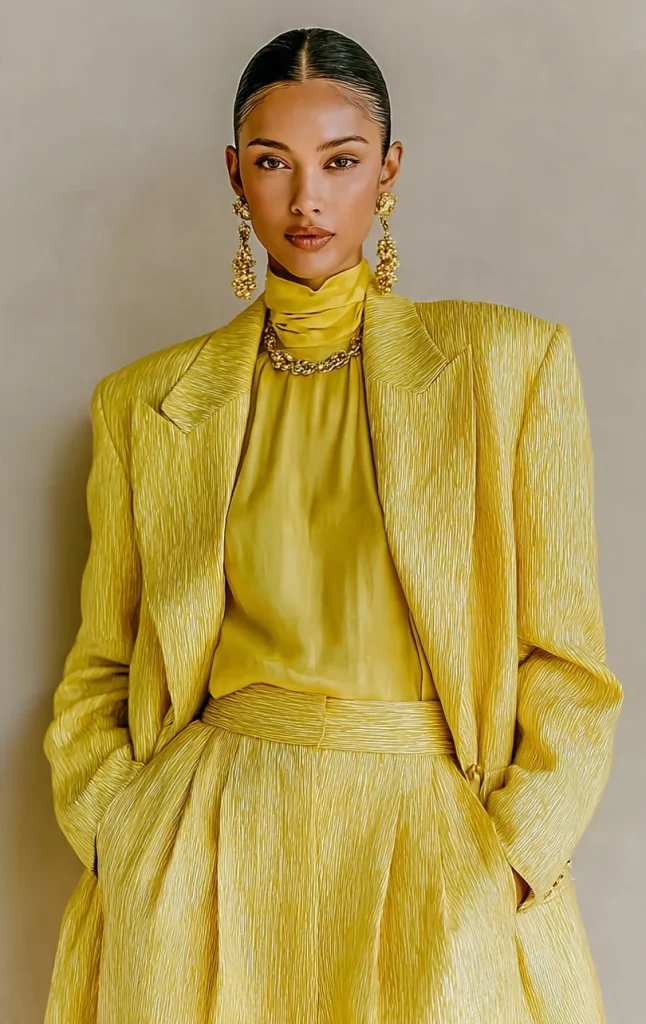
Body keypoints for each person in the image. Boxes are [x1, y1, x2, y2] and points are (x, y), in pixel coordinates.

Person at [42, 25, 623, 1024]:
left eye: (340, 163)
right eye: (272, 164)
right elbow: (102, 664)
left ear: (388, 171)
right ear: (234, 176)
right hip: (204, 852)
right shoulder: (143, 404)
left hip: (432, 846)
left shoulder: (509, 366)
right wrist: (118, 834)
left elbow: (567, 668)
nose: (306, 200)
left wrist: (514, 859)